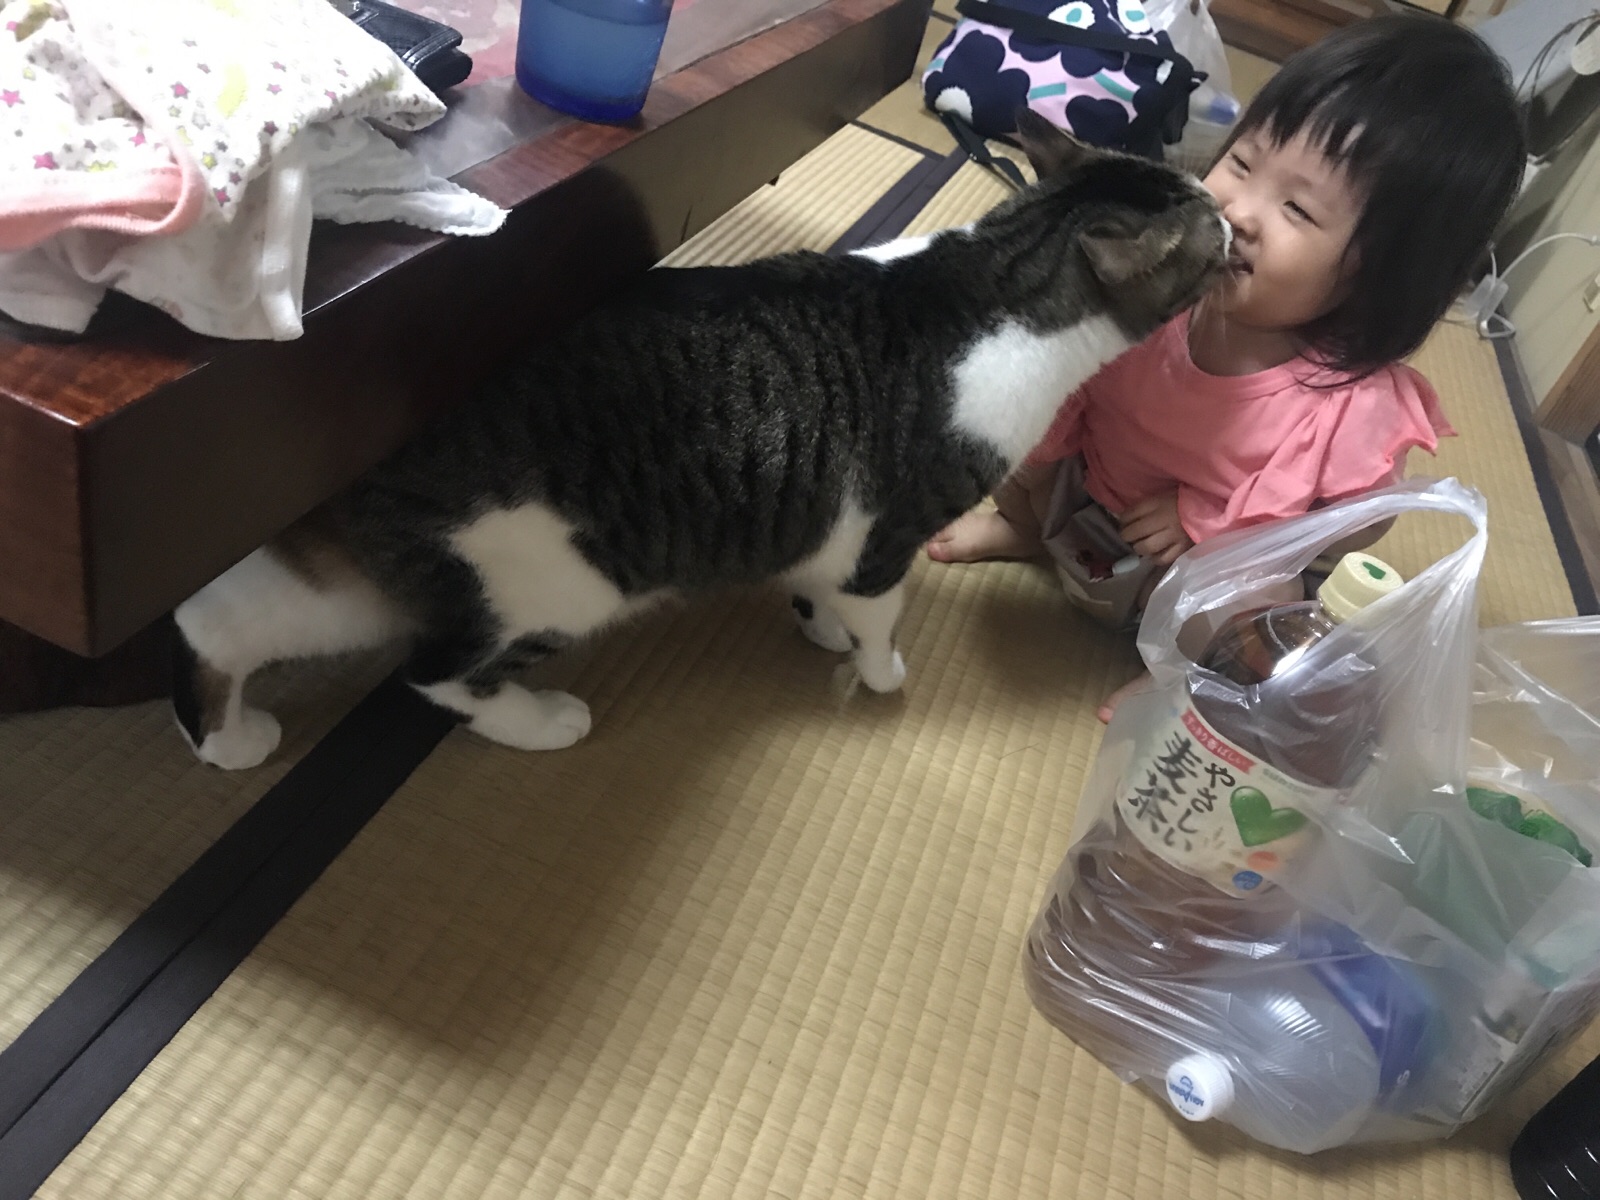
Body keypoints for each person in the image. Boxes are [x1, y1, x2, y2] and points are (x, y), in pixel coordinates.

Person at [926, 13, 1526, 719]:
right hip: (1081, 496)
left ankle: (1179, 678)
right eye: (1241, 163)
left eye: (1298, 209)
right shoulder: (1157, 286)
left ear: (1382, 279)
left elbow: (1356, 526)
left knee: (1256, 607)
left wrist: (1208, 524)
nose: (1237, 210)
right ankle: (1025, 532)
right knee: (1010, 423)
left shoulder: (1345, 401)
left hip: (1185, 572)